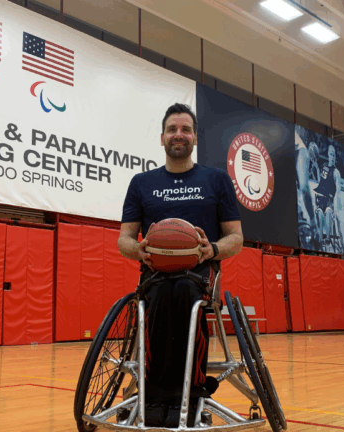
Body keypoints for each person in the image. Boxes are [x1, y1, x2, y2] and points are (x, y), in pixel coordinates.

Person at [117, 103, 243, 427]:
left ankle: (190, 390)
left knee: (187, 291)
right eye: (172, 129)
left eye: (185, 129)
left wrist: (211, 248)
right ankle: (156, 392)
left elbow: (237, 238)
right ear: (162, 138)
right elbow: (124, 240)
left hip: (200, 269)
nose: (178, 135)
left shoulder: (216, 179)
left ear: (195, 138)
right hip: (155, 270)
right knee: (158, 295)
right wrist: (139, 249)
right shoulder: (141, 183)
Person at [313, 143, 342, 252]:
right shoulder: (324, 167)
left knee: (329, 212)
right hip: (320, 199)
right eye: (331, 154)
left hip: (329, 200)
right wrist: (316, 169)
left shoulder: (336, 172)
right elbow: (319, 181)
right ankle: (320, 242)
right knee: (320, 215)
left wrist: (337, 208)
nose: (332, 157)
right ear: (328, 155)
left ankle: (328, 240)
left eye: (334, 155)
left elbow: (338, 190)